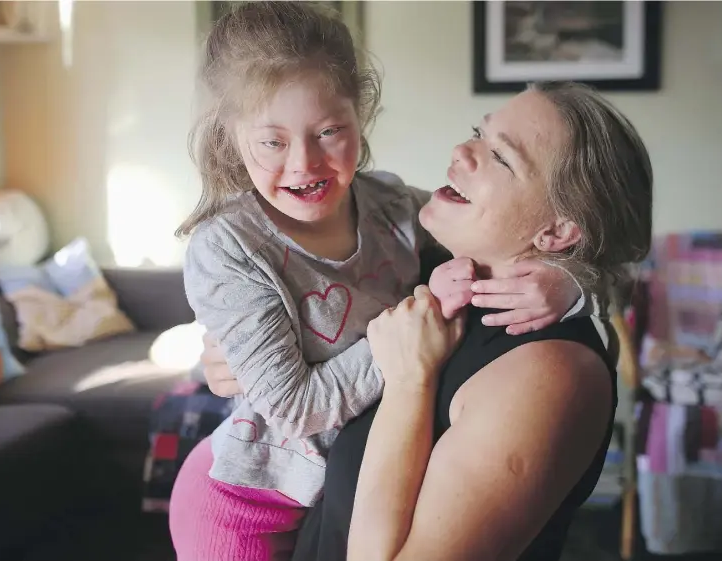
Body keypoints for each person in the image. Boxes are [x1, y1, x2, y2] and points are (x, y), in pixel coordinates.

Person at [170, 3, 586, 561]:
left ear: (360, 115)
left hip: (335, 500)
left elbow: (502, 236)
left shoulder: (390, 204)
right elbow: (296, 409)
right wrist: (409, 334)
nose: (305, 164)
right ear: (230, 132)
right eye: (273, 142)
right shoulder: (229, 247)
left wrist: (567, 279)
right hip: (247, 505)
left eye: (329, 131)